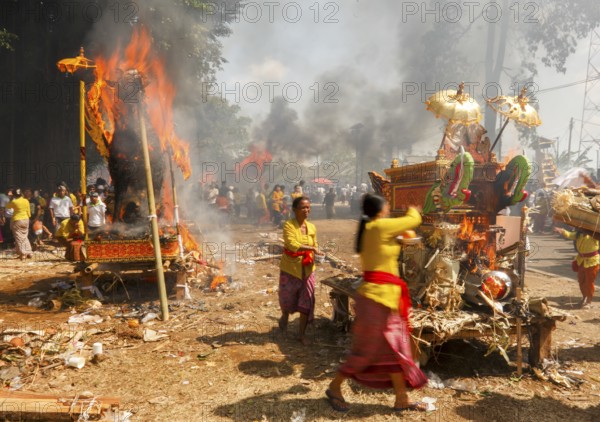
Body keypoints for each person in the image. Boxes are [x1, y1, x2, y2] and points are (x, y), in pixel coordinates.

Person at [327, 194, 427, 413]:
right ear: (380, 210)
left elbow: (385, 249)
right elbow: (413, 220)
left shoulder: (372, 229)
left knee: (392, 351)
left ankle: (401, 398)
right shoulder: (380, 226)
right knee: (366, 352)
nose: (389, 210)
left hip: (383, 299)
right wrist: (413, 208)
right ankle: (334, 387)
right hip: (376, 300)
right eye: (388, 207)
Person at [278, 197, 322, 345]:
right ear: (295, 210)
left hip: (308, 268)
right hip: (290, 268)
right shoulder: (288, 225)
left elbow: (315, 243)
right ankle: (285, 315)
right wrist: (312, 249)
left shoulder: (312, 227)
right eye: (303, 207)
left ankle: (301, 334)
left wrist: (315, 251)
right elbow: (291, 244)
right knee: (287, 299)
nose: (306, 210)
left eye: (308, 207)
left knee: (307, 299)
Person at [555, 227, 599, 309]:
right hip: (581, 260)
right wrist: (562, 231)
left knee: (589, 281)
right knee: (581, 280)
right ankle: (584, 297)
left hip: (592, 261)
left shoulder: (595, 235)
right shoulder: (579, 234)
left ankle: (589, 301)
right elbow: (570, 235)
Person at [6, 188, 33, 259]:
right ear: (21, 194)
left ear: (14, 195)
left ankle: (23, 254)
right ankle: (29, 252)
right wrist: (28, 218)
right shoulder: (26, 200)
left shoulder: (14, 202)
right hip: (26, 219)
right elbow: (29, 212)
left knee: (19, 237)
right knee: (24, 236)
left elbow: (7, 206)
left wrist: (11, 198)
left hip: (17, 220)